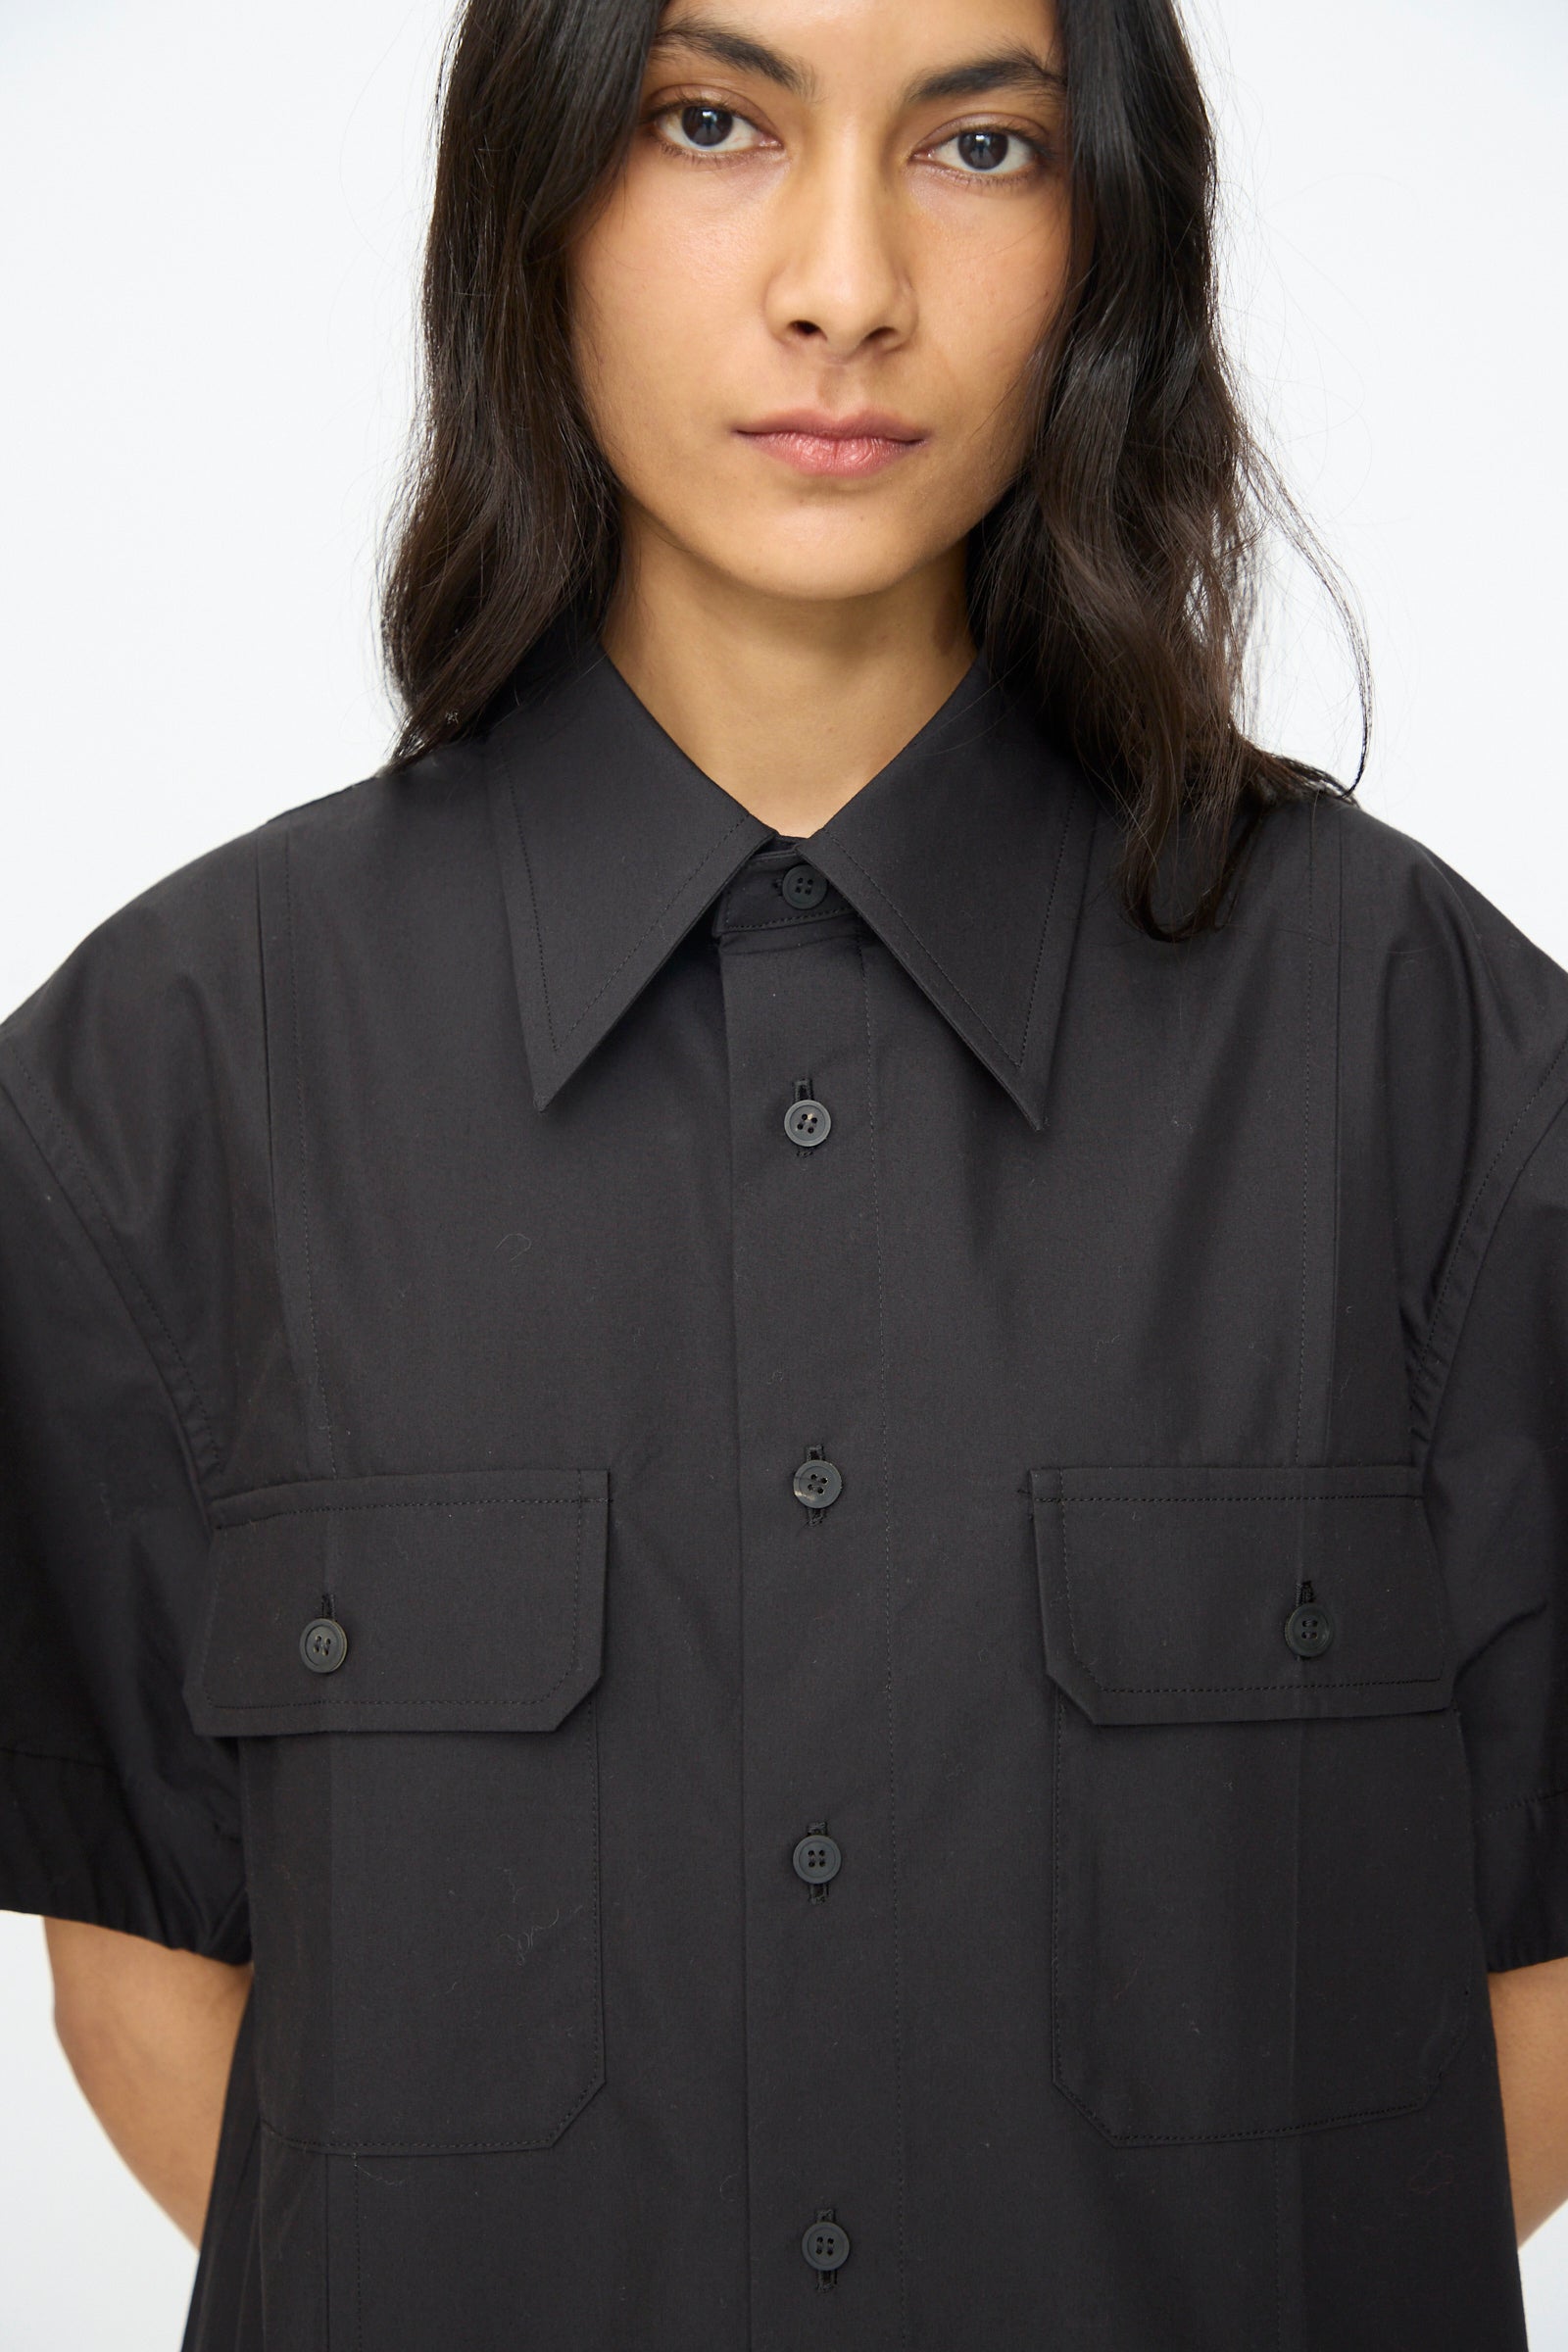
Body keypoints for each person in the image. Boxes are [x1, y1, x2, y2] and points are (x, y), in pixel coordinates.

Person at [3, 0, 1567, 2343]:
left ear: (1106, 233)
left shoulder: (1431, 1054)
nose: (844, 282)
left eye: (981, 146)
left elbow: (1527, 2008)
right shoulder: (156, 1082)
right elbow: (149, 1989)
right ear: (533, 195)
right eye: (709, 122)